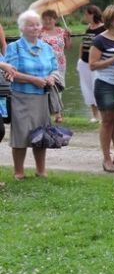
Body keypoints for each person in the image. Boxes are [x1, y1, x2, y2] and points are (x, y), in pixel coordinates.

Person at [3, 10, 59, 180]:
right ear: (22, 28)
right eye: (30, 25)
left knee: (41, 134)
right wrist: (33, 79)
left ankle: (41, 170)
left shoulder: (47, 48)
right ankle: (18, 172)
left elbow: (55, 69)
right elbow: (10, 73)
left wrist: (51, 77)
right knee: (21, 134)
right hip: (21, 97)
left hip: (42, 97)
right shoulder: (15, 47)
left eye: (37, 24)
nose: (35, 27)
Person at [89, 5, 114, 172]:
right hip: (105, 84)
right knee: (107, 121)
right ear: (110, 21)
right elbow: (92, 65)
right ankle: (106, 158)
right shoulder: (100, 40)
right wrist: (112, 59)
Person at [39, 9, 70, 123]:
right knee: (48, 85)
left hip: (60, 63)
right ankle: (50, 111)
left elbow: (68, 47)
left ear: (55, 20)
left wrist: (67, 37)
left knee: (59, 86)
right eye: (45, 19)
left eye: (50, 19)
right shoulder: (39, 32)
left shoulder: (62, 31)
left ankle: (58, 112)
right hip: (45, 63)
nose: (48, 21)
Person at [77, 5, 105, 124]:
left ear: (93, 14)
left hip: (96, 63)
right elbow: (83, 44)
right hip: (84, 62)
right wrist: (79, 60)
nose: (85, 16)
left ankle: (103, 116)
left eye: (87, 14)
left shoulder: (103, 29)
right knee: (87, 88)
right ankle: (95, 115)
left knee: (97, 88)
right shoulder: (88, 28)